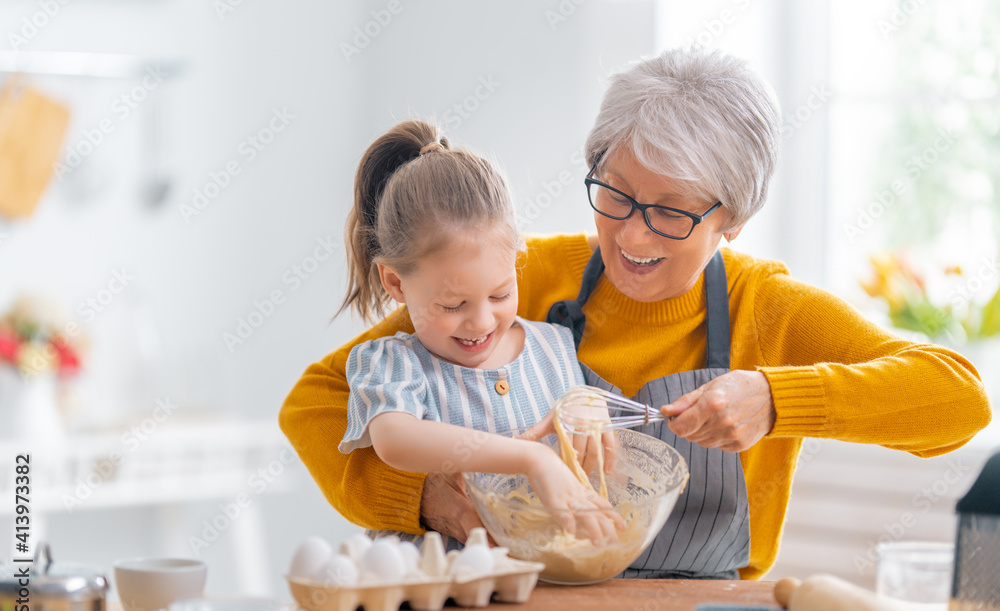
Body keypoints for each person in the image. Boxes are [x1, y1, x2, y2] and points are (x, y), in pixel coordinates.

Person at [280, 49, 992, 580]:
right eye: (614, 194)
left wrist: (779, 398)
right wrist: (424, 499)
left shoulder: (767, 311)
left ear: (733, 219)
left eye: (672, 211)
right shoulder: (525, 278)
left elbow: (958, 398)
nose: (632, 235)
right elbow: (314, 403)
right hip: (518, 604)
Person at [332, 119, 619, 547]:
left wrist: (588, 406)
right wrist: (530, 459)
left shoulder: (556, 347)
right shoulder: (392, 364)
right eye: (453, 305)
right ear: (395, 284)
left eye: (501, 294)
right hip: (431, 600)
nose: (482, 322)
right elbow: (397, 440)